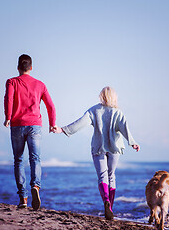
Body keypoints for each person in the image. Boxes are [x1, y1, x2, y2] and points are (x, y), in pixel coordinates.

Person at [53, 86, 140, 220]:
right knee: (111, 176)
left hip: (98, 147)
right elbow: (124, 128)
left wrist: (63, 130)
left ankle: (105, 200)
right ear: (114, 97)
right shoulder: (118, 112)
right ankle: (110, 207)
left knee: (102, 176)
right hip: (114, 148)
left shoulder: (94, 110)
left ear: (102, 96)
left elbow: (80, 123)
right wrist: (132, 142)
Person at [4, 54, 56, 210]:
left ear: (18, 67)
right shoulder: (40, 85)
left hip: (17, 124)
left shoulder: (12, 82)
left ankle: (23, 199)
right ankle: (36, 186)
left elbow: (9, 99)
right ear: (31, 68)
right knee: (35, 158)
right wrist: (52, 124)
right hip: (35, 125)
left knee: (19, 160)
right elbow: (51, 106)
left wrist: (7, 117)